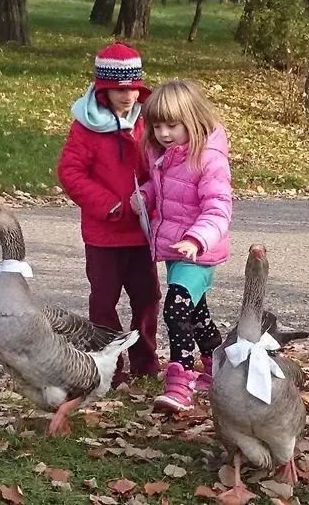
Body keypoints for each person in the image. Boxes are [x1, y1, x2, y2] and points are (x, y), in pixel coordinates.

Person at [57, 42, 161, 382]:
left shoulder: (148, 121)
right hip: (104, 233)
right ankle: (110, 367)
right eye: (119, 89)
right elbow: (71, 173)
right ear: (104, 88)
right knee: (104, 303)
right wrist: (109, 205)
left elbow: (160, 166)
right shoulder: (86, 126)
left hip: (142, 232)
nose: (127, 95)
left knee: (147, 298)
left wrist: (150, 197)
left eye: (133, 88)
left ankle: (145, 362)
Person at [131, 79, 233, 412]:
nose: (162, 133)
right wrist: (144, 196)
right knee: (197, 312)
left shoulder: (208, 160)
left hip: (198, 253)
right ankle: (218, 364)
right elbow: (164, 191)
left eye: (171, 125)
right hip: (176, 252)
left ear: (192, 119)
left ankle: (180, 381)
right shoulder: (164, 155)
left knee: (176, 308)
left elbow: (219, 208)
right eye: (156, 125)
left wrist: (196, 239)